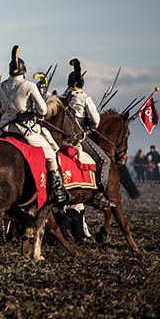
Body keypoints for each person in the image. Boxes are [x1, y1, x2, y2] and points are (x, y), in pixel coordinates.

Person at [0, 45, 69, 204]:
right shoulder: (29, 86)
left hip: (5, 130)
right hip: (25, 131)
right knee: (51, 155)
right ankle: (57, 190)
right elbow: (42, 109)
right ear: (24, 71)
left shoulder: (1, 87)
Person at [63, 58, 112, 208]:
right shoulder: (84, 98)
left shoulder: (61, 96)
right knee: (105, 160)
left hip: (60, 138)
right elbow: (95, 121)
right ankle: (100, 193)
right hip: (78, 138)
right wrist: (89, 128)